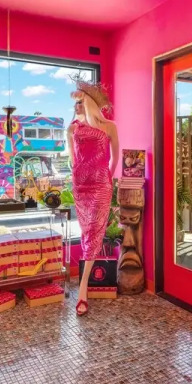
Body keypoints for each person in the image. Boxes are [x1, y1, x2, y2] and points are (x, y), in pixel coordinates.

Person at [67, 77, 119, 316]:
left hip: (100, 186)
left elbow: (115, 157)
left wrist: (107, 177)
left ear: (89, 102)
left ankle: (83, 288)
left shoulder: (109, 126)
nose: (76, 106)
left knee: (92, 233)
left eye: (80, 102)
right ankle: (83, 286)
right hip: (81, 186)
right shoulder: (73, 129)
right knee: (85, 230)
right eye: (75, 103)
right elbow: (72, 159)